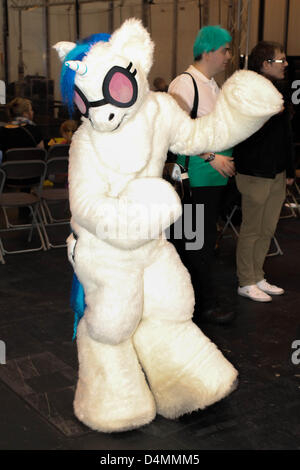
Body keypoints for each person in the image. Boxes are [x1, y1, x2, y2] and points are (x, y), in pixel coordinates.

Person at [168, 25, 235, 325]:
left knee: (200, 243)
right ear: (208, 51)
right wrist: (211, 157)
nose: (229, 57)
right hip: (193, 180)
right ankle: (202, 305)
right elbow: (175, 134)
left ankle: (194, 304)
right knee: (194, 244)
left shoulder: (211, 85)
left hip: (211, 180)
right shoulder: (184, 84)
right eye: (225, 50)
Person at [233, 41, 295, 302]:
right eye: (281, 60)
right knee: (252, 229)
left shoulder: (279, 89)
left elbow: (285, 135)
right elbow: (245, 132)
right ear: (265, 64)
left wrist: (289, 169)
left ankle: (257, 275)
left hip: (276, 171)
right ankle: (245, 280)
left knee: (267, 228)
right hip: (255, 172)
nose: (286, 64)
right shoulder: (250, 90)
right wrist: (269, 113)